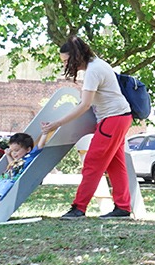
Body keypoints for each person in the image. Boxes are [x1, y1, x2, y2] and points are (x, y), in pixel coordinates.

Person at [40, 36, 135, 220]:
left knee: (92, 163)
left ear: (76, 56)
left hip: (113, 119)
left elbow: (84, 105)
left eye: (66, 61)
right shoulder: (97, 65)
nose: (65, 65)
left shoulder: (93, 70)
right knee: (115, 165)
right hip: (119, 117)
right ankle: (123, 207)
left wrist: (57, 123)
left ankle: (79, 207)